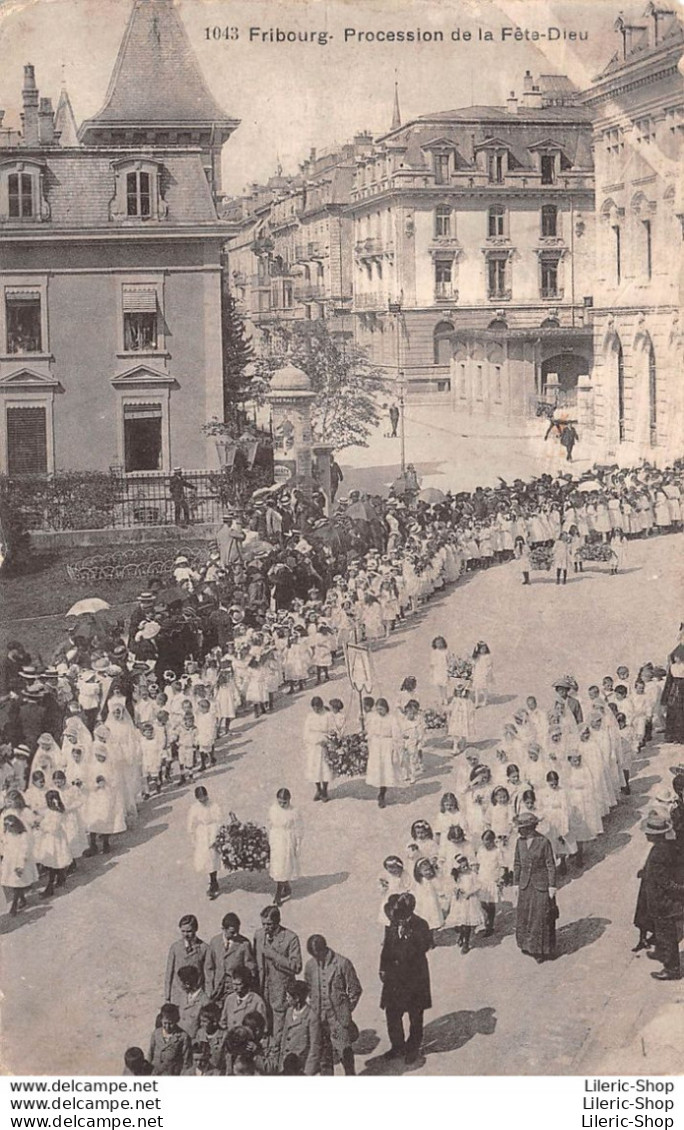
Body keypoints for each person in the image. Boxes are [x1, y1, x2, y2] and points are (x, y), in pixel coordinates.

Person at [379, 892, 433, 1064]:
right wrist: (382, 968)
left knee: (415, 1015)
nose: (395, 919)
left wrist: (409, 935)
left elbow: (424, 947)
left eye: (399, 916)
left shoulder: (421, 925)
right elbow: (387, 946)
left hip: (414, 979)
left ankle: (413, 1048)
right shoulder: (392, 923)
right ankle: (397, 1046)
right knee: (392, 1013)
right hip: (394, 979)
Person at [304, 934, 362, 1076]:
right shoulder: (310, 965)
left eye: (318, 954)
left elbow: (355, 989)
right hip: (319, 1017)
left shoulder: (342, 963)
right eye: (314, 956)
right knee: (324, 1056)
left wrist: (346, 1009)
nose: (317, 959)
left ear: (324, 949)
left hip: (338, 1018)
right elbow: (309, 987)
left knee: (345, 1052)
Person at [638, 813, 684, 980]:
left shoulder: (658, 853)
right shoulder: (666, 846)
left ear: (655, 835)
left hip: (662, 903)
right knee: (666, 934)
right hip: (665, 902)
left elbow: (665, 883)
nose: (645, 834)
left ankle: (672, 969)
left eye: (648, 832)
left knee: (667, 935)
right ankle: (669, 962)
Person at [253, 905, 303, 1043]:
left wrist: (274, 955)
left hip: (281, 990)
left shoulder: (291, 938)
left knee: (279, 1028)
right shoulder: (258, 935)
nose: (266, 927)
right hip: (263, 988)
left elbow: (297, 967)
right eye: (263, 924)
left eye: (269, 924)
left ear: (278, 921)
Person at [513, 811, 557, 963]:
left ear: (531, 827)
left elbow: (550, 865)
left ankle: (541, 951)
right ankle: (527, 945)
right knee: (525, 916)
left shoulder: (543, 842)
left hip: (541, 885)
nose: (519, 830)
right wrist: (515, 882)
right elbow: (517, 863)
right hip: (525, 885)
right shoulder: (519, 842)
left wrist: (552, 885)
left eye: (522, 828)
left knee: (540, 918)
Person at [207, 912, 257, 1002]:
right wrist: (210, 989)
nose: (236, 935)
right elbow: (209, 968)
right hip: (217, 990)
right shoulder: (215, 942)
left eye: (237, 931)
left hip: (235, 990)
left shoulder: (244, 944)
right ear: (223, 929)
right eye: (232, 932)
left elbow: (250, 968)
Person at [164, 915, 212, 1008]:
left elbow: (208, 975)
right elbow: (169, 974)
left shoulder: (204, 948)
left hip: (196, 995)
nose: (186, 934)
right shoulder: (175, 947)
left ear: (196, 929)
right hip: (178, 995)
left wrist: (208, 996)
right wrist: (167, 997)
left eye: (189, 931)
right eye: (183, 931)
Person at [278, 980, 322, 1076]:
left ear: (297, 998)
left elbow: (315, 1047)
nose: (286, 999)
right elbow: (284, 1040)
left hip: (300, 1067)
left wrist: (307, 1072)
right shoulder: (289, 1012)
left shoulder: (311, 1016)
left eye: (289, 997)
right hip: (286, 1065)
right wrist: (281, 1066)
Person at [268, 788, 303, 907]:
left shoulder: (294, 812)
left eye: (285, 802)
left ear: (289, 800)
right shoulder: (273, 809)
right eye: (280, 802)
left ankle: (278, 894)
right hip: (276, 839)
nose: (282, 805)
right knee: (279, 866)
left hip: (287, 840)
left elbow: (299, 828)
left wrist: (297, 843)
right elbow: (271, 824)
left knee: (284, 865)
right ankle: (286, 887)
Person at [187, 786, 222, 901]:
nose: (203, 801)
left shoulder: (213, 805)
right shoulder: (195, 808)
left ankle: (213, 882)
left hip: (213, 830)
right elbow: (191, 823)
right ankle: (212, 879)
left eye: (205, 798)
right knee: (205, 858)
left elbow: (218, 820)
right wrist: (193, 836)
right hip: (202, 834)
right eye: (200, 799)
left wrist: (217, 835)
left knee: (213, 857)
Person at [148, 1004, 192, 1075]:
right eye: (165, 1023)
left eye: (171, 1023)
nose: (167, 1026)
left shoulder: (183, 1037)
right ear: (161, 1020)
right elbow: (150, 1053)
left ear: (177, 1020)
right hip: (155, 1073)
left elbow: (186, 1062)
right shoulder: (156, 1033)